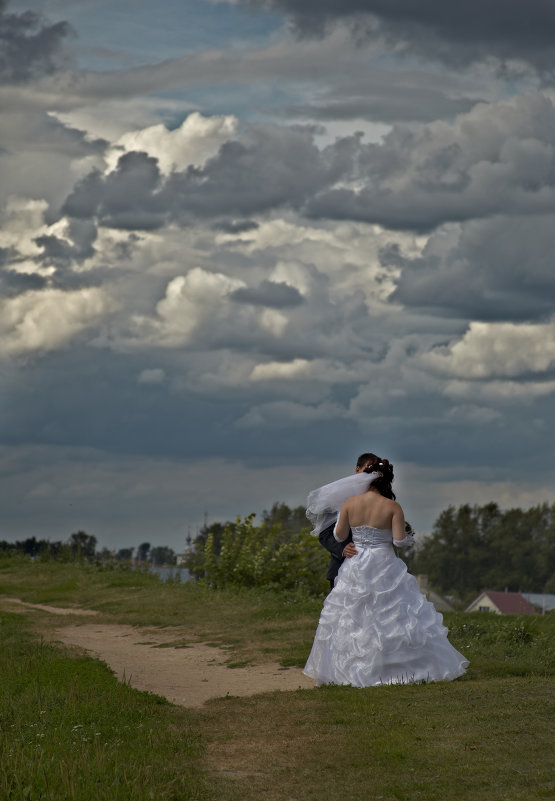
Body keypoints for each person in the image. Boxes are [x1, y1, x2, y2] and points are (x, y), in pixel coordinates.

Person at [304, 457, 468, 687]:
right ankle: (394, 668)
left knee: (356, 616)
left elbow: (339, 537)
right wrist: (407, 535)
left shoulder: (350, 503)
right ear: (387, 481)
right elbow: (400, 542)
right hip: (384, 562)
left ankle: (348, 671)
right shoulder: (393, 507)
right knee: (392, 615)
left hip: (357, 561)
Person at [318, 452, 377, 591]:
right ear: (358, 470)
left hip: (376, 570)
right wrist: (342, 549)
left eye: (376, 472)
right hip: (343, 567)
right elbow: (324, 534)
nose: (372, 475)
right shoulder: (337, 497)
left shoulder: (385, 499)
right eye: (368, 470)